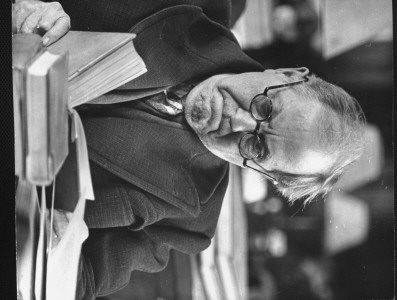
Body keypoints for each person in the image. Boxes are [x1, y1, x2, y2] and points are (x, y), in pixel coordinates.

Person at [13, 1, 365, 299]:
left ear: (262, 173)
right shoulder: (201, 6)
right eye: (266, 108)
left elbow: (81, 281)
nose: (236, 120)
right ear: (287, 73)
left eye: (257, 147)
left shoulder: (189, 221)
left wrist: (54, 249)